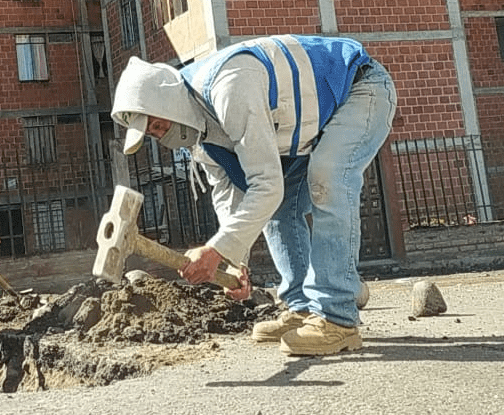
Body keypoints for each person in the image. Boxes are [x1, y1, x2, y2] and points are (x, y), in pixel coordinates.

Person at [110, 35, 397, 356]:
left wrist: (215, 251)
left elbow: (266, 184)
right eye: (154, 134)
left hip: (360, 88)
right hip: (317, 122)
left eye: (158, 125)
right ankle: (303, 307)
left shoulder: (229, 86)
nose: (162, 138)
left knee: (327, 177)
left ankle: (337, 317)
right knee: (280, 208)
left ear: (167, 104)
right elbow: (228, 196)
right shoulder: (202, 137)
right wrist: (234, 263)